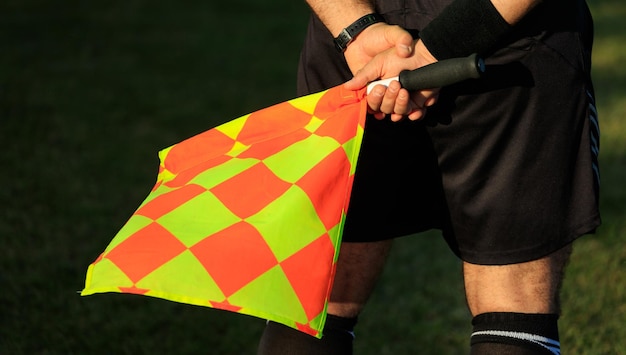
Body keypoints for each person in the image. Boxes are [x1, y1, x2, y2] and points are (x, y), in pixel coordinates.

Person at [258, 0, 600, 353]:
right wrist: (434, 47)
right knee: (512, 302)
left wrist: (356, 30)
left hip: (359, 48)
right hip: (507, 41)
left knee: (314, 298)